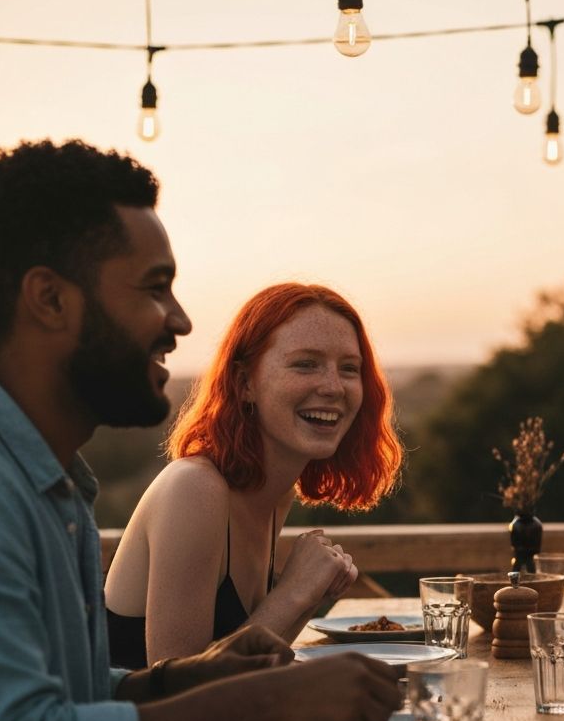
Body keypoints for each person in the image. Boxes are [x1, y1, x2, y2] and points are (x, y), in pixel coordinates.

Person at [0, 139, 401, 721]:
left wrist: (204, 675)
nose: (181, 320)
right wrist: (269, 697)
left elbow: (79, 698)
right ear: (49, 301)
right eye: (153, 289)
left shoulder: (52, 484)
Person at [104, 282, 403, 668]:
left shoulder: (278, 494)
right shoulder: (194, 489)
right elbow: (178, 692)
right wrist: (293, 592)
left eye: (349, 368)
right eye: (305, 363)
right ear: (246, 384)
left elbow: (251, 662)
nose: (333, 386)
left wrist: (306, 596)